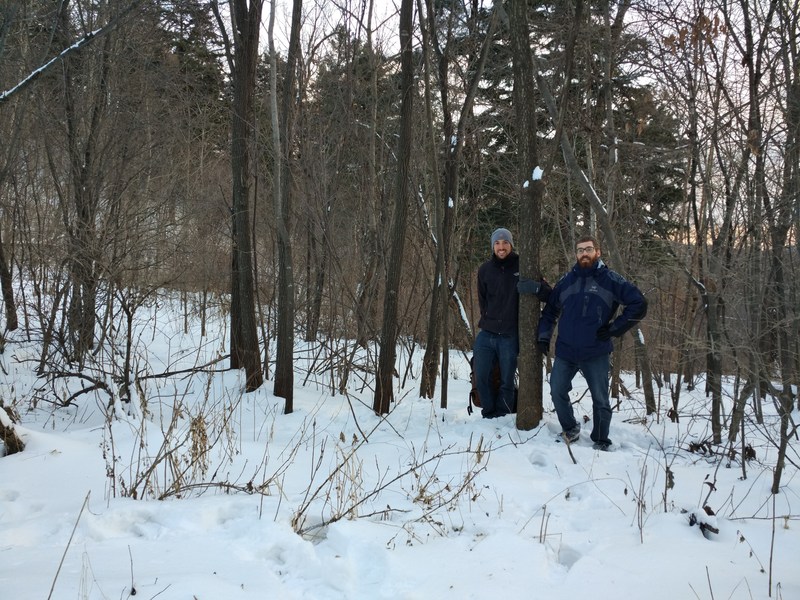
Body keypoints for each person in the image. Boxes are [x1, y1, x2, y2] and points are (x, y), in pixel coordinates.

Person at [536, 234, 647, 450]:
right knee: (557, 390)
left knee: (601, 400)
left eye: (588, 249)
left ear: (598, 252)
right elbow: (550, 311)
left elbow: (639, 304)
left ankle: (600, 439)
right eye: (580, 250)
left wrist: (615, 328)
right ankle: (570, 427)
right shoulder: (567, 281)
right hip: (566, 350)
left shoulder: (611, 280)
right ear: (575, 254)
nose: (584, 253)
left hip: (595, 350)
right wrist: (544, 337)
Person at [473, 227, 550, 418]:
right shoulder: (484, 270)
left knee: (507, 380)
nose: (501, 247)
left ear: (511, 244)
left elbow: (549, 294)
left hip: (509, 334)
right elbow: (482, 300)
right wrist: (488, 318)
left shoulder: (523, 265)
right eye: (497, 243)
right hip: (487, 333)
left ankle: (503, 414)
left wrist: (536, 288)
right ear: (492, 246)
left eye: (505, 242)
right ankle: (489, 413)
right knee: (481, 376)